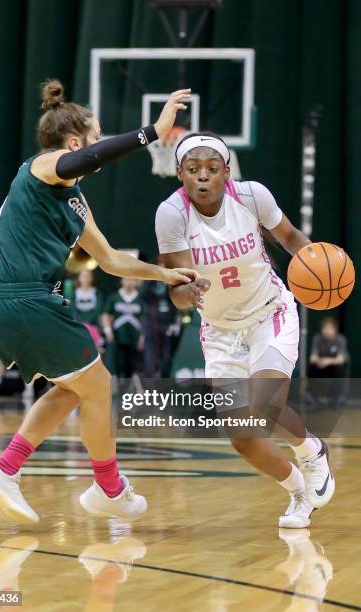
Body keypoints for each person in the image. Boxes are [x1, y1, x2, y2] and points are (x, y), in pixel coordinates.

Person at [0, 79, 196, 524]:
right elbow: (88, 157)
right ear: (75, 141)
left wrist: (163, 272)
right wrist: (152, 131)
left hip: (8, 303)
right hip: (24, 299)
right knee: (98, 386)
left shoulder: (73, 197)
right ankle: (109, 489)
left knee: (75, 387)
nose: (100, 141)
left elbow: (111, 260)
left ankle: (5, 470)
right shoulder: (46, 165)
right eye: (97, 133)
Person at [155, 131, 335, 528]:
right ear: (179, 174)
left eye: (211, 169)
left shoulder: (252, 196)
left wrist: (317, 266)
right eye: (192, 169)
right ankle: (299, 493)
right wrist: (188, 293)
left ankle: (312, 451)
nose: (202, 177)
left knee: (264, 405)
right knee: (243, 436)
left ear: (227, 172)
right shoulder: (171, 215)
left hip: (268, 312)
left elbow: (289, 238)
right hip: (220, 329)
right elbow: (176, 290)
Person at [102, 278, 144, 379]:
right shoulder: (114, 297)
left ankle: (126, 389)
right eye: (126, 279)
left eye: (132, 279)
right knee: (115, 363)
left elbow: (144, 319)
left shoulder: (141, 298)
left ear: (137, 281)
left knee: (130, 366)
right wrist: (107, 330)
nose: (129, 281)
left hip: (134, 338)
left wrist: (142, 337)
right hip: (117, 337)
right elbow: (106, 314)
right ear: (121, 280)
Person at [307, 317, 348, 406]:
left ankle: (337, 398)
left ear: (335, 329)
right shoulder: (317, 338)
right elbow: (312, 357)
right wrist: (320, 361)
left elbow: (341, 359)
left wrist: (328, 361)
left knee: (340, 369)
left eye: (330, 328)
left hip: (333, 369)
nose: (327, 331)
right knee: (311, 367)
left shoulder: (340, 339)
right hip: (320, 367)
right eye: (325, 328)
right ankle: (313, 398)